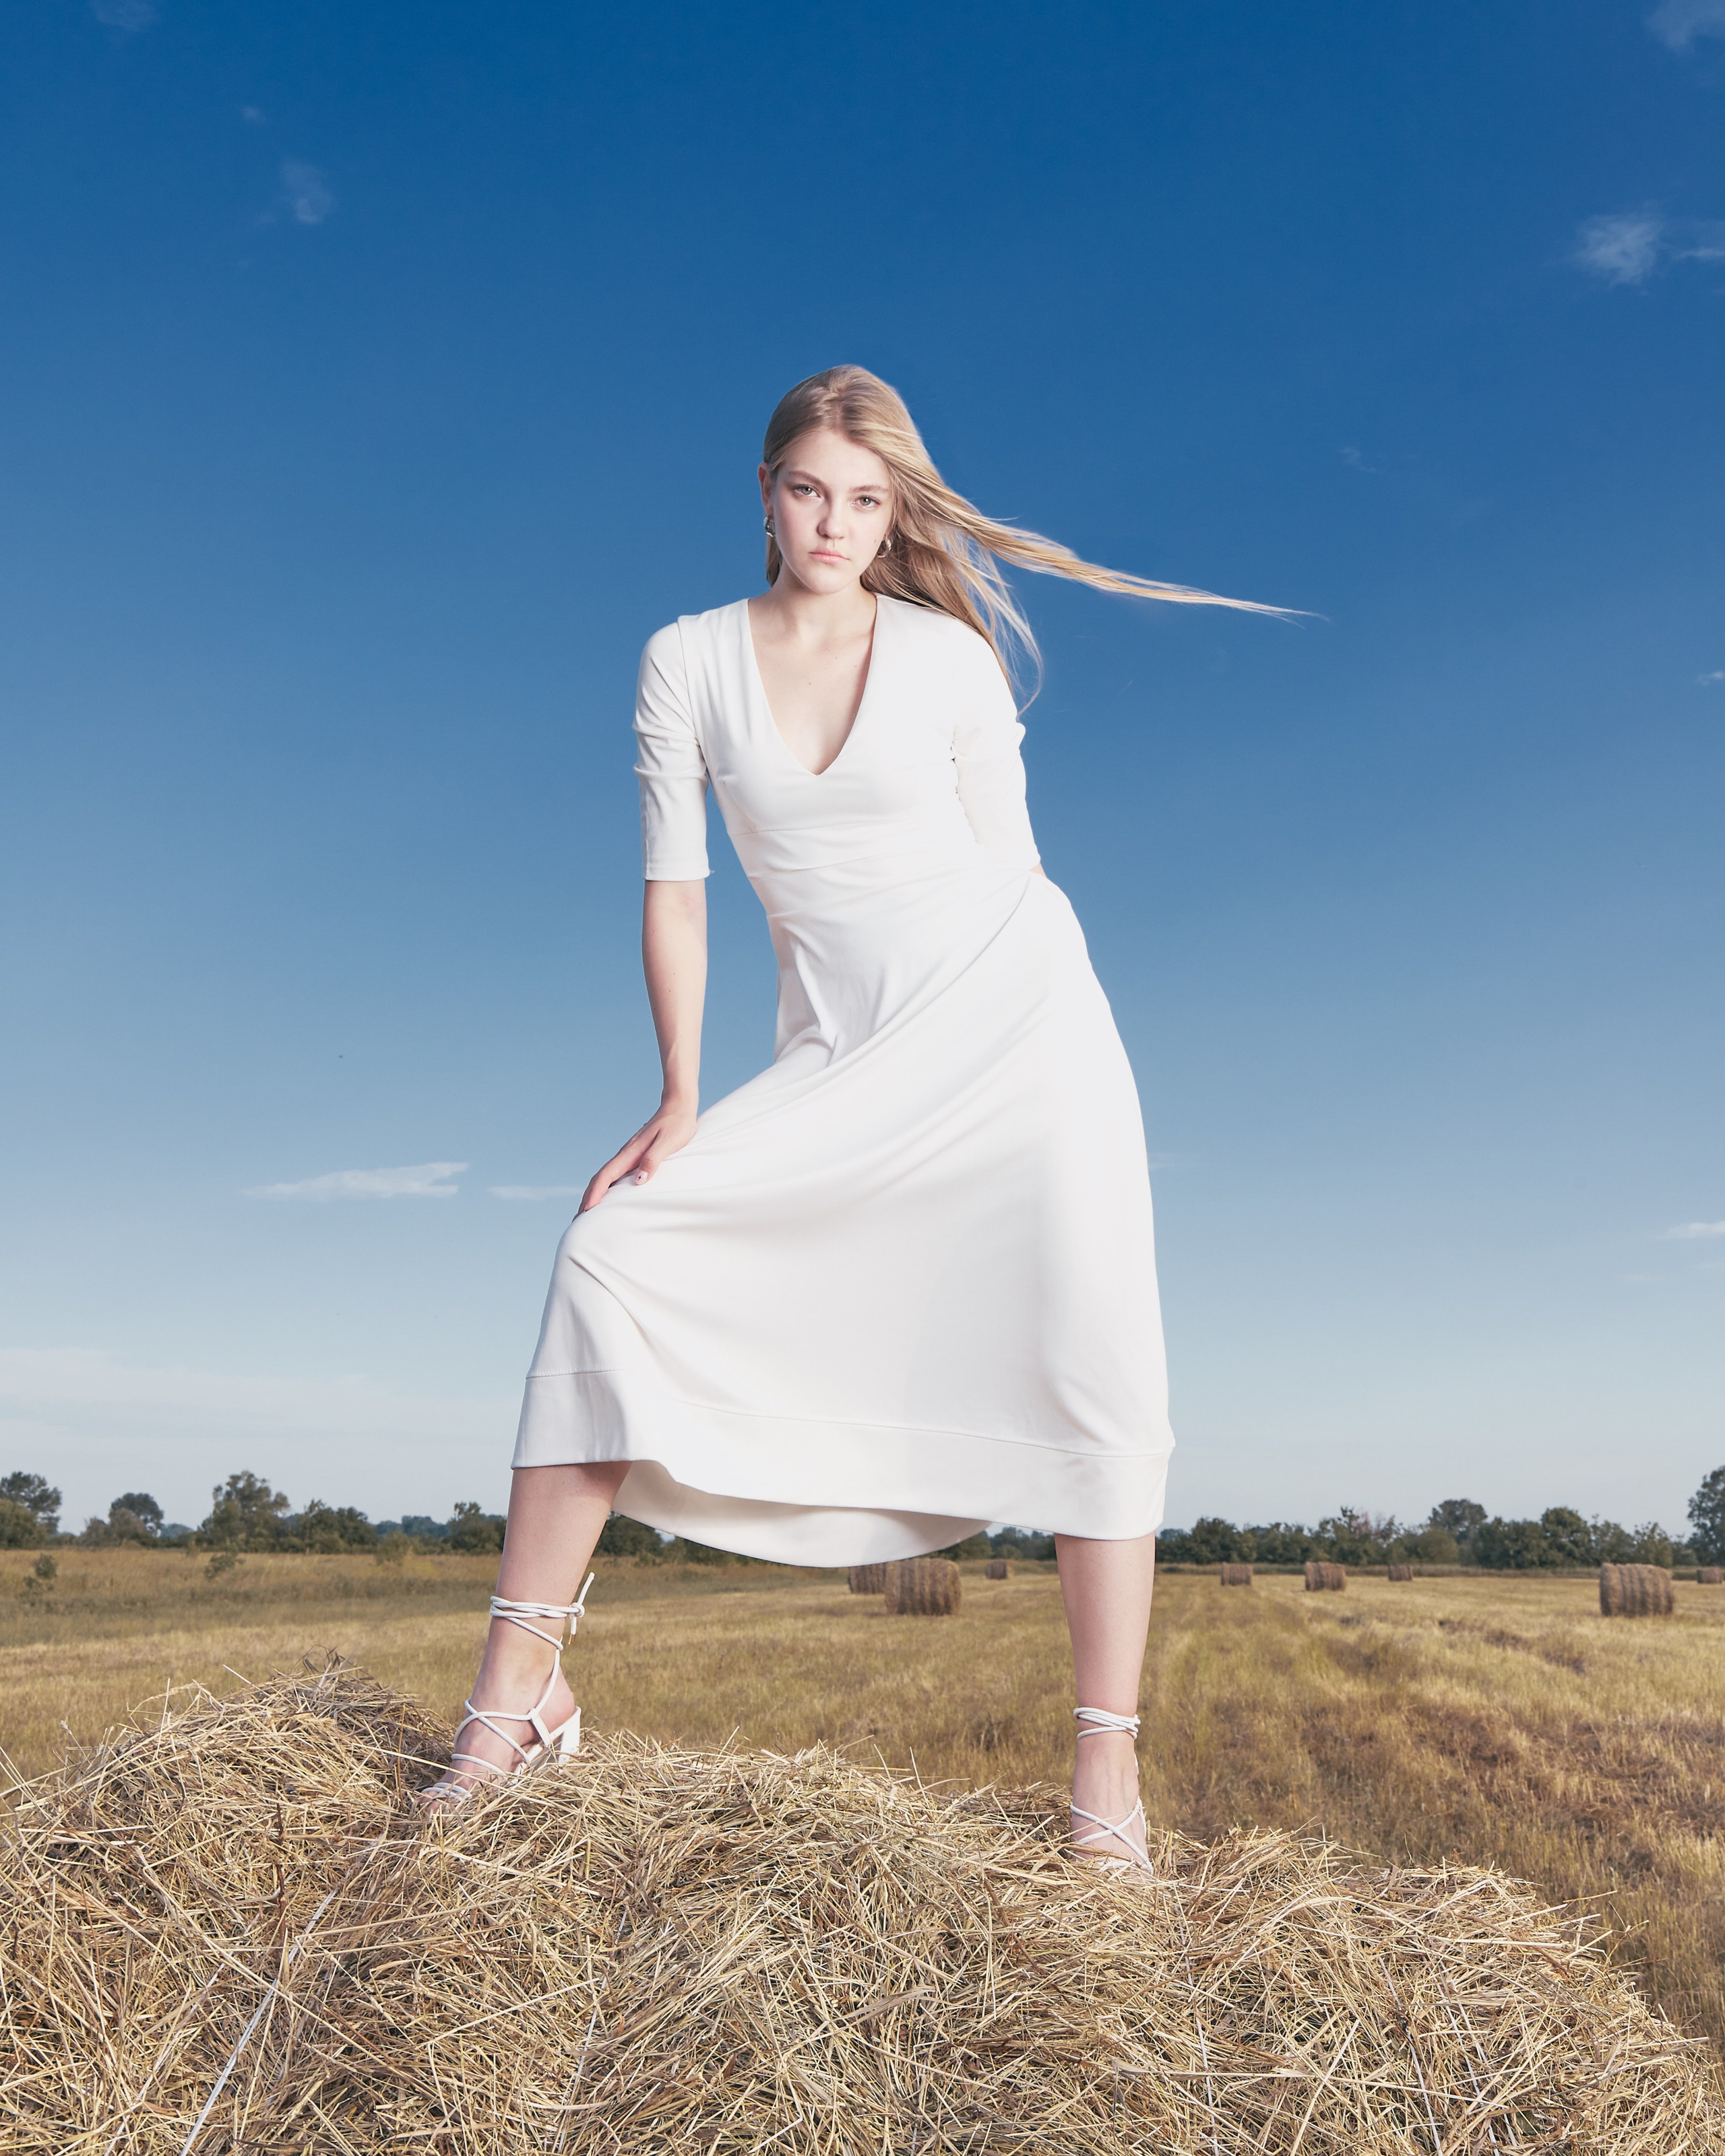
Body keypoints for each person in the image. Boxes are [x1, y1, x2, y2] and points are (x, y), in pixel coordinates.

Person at [422, 366, 1278, 1867]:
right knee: (610, 1259)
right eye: (810, 489)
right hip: (840, 1054)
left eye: (866, 499)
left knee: (1091, 1367)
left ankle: (1103, 1790)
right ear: (764, 490)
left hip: (1022, 1038)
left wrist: (1017, 1045)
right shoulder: (684, 661)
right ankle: (519, 1691)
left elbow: (1012, 877)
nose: (834, 521)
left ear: (895, 513)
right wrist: (682, 1094)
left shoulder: (948, 661)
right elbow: (672, 892)